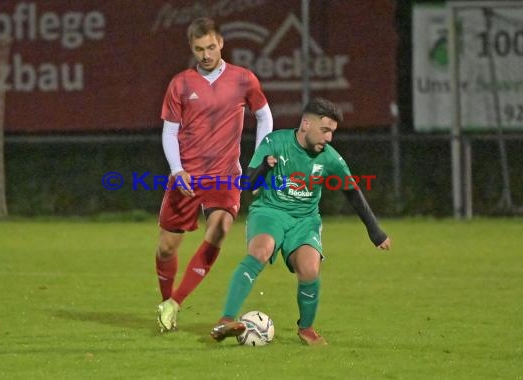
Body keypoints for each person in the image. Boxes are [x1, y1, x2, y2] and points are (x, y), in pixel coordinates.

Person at [210, 97, 391, 345]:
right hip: (270, 211)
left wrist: (375, 231)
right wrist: (263, 167)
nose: (329, 139)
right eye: (325, 130)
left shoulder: (330, 159)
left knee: (309, 269)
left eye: (332, 133)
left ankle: (306, 329)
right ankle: (226, 320)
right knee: (260, 252)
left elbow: (352, 191)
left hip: (305, 219)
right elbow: (248, 184)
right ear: (306, 124)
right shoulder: (275, 142)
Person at [155, 17, 273, 332]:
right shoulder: (180, 83)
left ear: (220, 42)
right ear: (192, 49)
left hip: (225, 175)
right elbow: (169, 132)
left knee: (219, 228)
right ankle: (166, 303)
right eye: (199, 49)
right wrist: (177, 169)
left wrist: (257, 161)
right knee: (167, 247)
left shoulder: (243, 79)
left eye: (210, 47)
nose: (206, 54)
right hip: (188, 176)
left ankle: (175, 302)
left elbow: (264, 116)